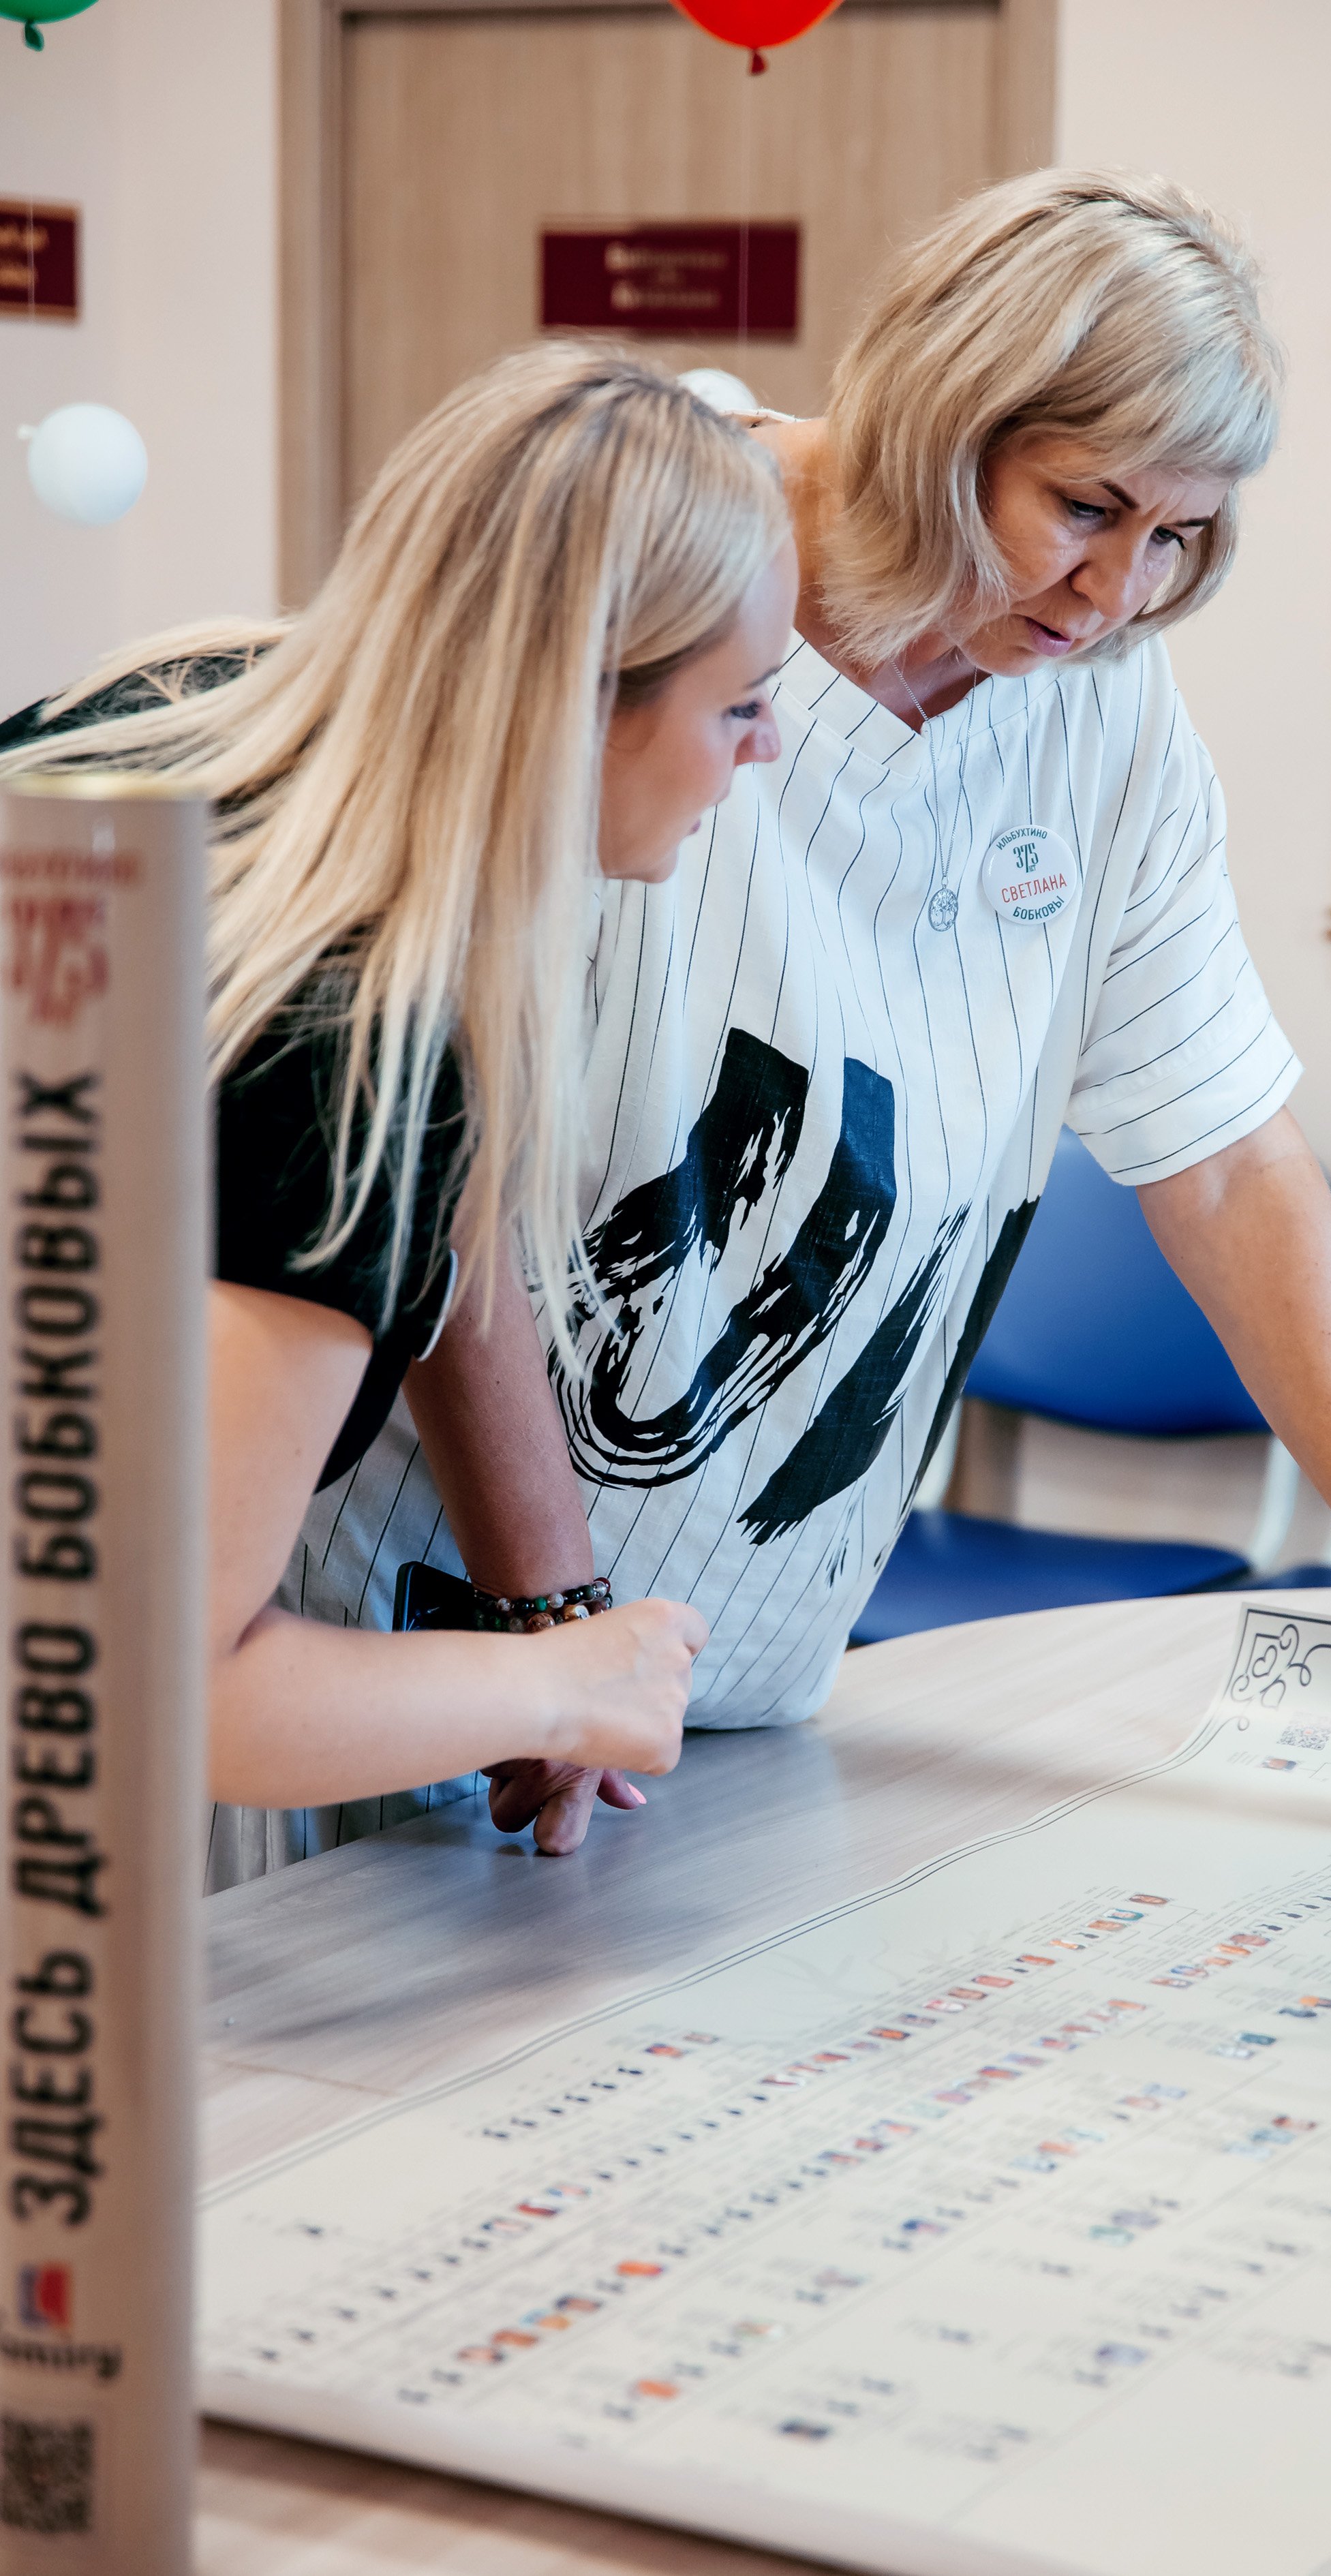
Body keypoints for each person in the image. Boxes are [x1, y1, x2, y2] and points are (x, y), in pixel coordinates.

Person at [283, 170, 1331, 1862]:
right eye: (1084, 507)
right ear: (945, 419)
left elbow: (1224, 1158)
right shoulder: (645, 554)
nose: (1116, 592)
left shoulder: (1104, 703)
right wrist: (545, 1618)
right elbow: (441, 1165)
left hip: (744, 1671)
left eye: (1179, 537)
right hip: (414, 1638)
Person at [0, 349, 796, 1880]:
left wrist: (543, 1607)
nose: (767, 752)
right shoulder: (347, 1028)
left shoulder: (187, 709)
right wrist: (580, 1682)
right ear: (576, 702)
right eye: (742, 705)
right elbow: (165, 1682)